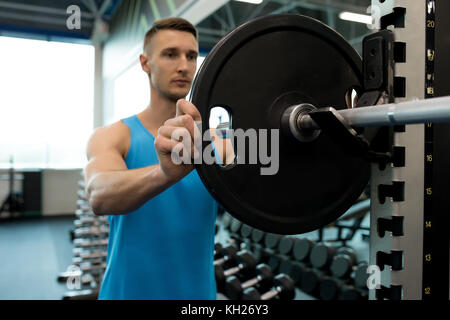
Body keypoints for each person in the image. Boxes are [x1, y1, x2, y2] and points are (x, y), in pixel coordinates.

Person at [84, 17, 219, 300]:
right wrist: (164, 173)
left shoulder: (216, 142)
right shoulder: (114, 135)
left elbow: (266, 192)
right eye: (170, 54)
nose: (184, 66)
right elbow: (98, 194)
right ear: (145, 63)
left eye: (191, 56)